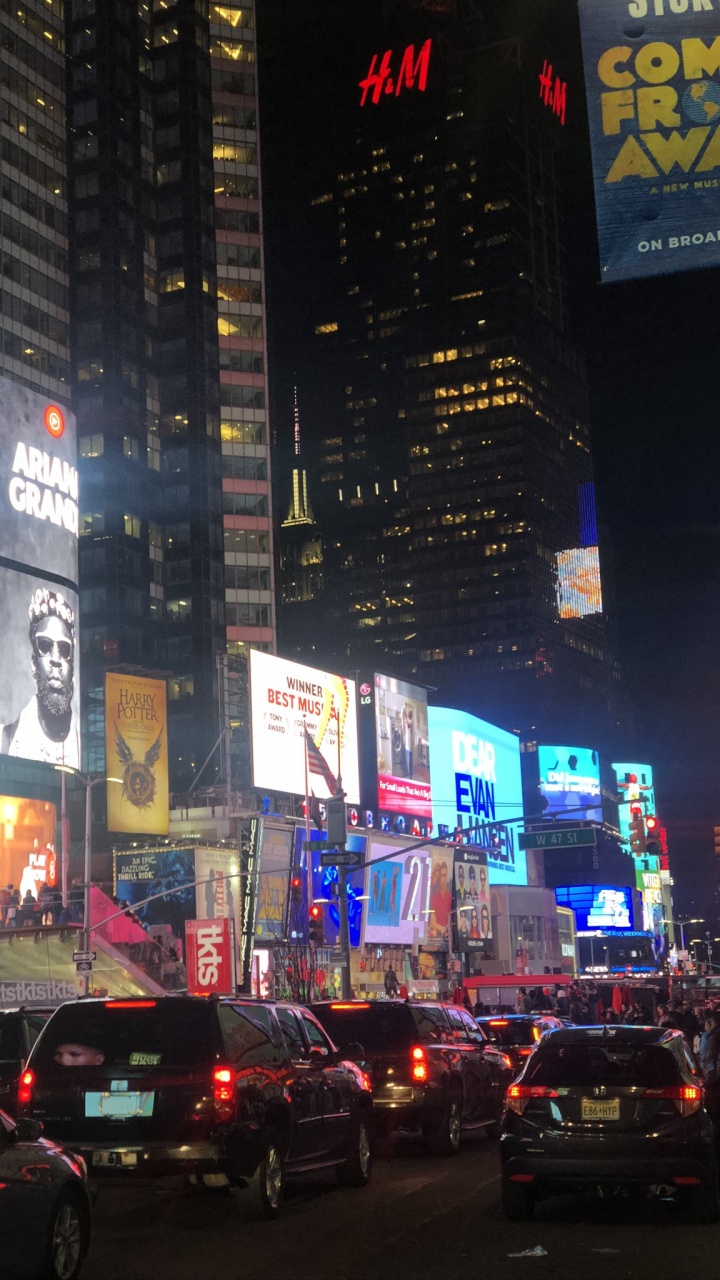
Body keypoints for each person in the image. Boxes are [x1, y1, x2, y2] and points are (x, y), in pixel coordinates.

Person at [1, 588, 79, 766]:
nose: (55, 660)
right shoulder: (4, 741)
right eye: (45, 645)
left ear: (72, 669)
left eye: (64, 649)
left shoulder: (86, 750)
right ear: (33, 663)